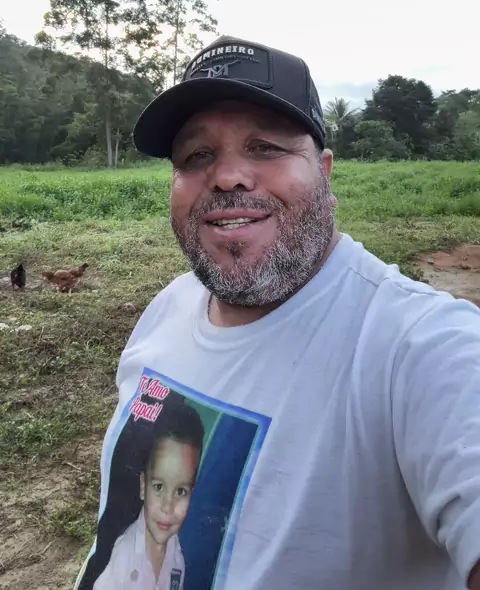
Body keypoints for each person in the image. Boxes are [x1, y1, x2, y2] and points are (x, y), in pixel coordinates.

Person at [82, 35, 480, 590]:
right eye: (196, 155)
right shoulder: (168, 307)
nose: (228, 176)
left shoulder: (421, 345)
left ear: (325, 172)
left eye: (266, 147)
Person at [93, 401, 204, 590]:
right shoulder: (122, 562)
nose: (168, 506)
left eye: (180, 491)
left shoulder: (176, 556)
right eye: (159, 487)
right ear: (143, 485)